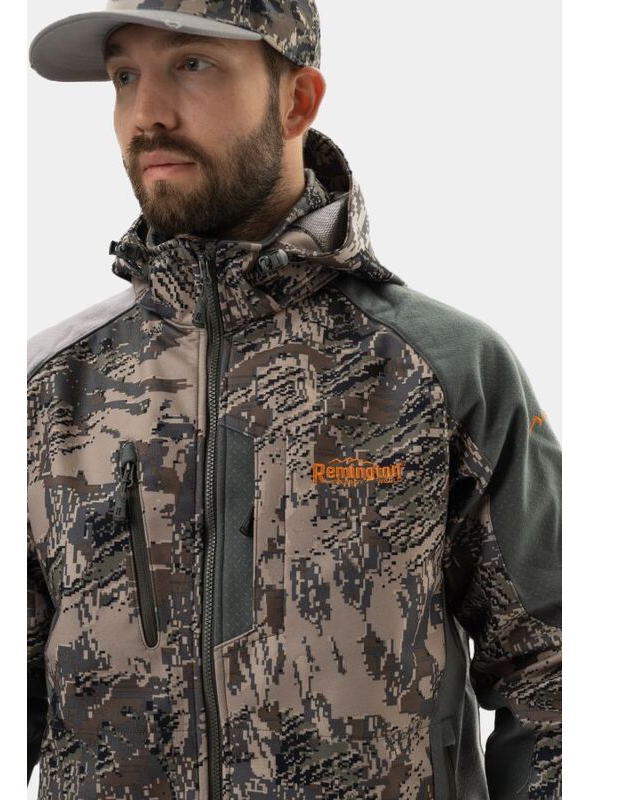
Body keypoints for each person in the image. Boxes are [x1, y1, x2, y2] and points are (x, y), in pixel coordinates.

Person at [27, 3, 562, 798]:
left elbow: (554, 672)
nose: (146, 114)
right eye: (125, 75)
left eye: (192, 65)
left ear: (297, 102)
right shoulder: (47, 391)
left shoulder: (445, 370)